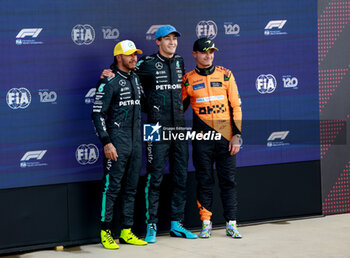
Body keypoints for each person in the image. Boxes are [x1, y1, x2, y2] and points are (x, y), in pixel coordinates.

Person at [101, 25, 197, 243]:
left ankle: (176, 223)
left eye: (175, 39)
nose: (172, 43)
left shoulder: (180, 61)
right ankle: (151, 225)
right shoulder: (147, 63)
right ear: (158, 42)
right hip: (154, 126)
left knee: (181, 175)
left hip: (178, 126)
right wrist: (108, 71)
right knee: (154, 176)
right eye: (167, 39)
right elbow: (125, 72)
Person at [182, 37, 243, 238]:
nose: (208, 56)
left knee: (228, 180)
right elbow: (177, 109)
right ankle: (206, 222)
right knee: (204, 180)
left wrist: (237, 135)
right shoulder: (188, 79)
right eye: (204, 52)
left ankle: (231, 223)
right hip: (202, 139)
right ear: (195, 54)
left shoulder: (226, 75)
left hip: (226, 138)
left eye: (211, 52)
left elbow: (236, 106)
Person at [92, 40, 147, 249]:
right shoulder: (109, 81)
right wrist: (107, 143)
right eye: (129, 55)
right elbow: (97, 114)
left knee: (132, 188)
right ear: (118, 57)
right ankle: (105, 232)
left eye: (135, 54)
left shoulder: (135, 77)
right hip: (117, 141)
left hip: (135, 141)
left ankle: (126, 230)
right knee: (112, 188)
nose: (134, 58)